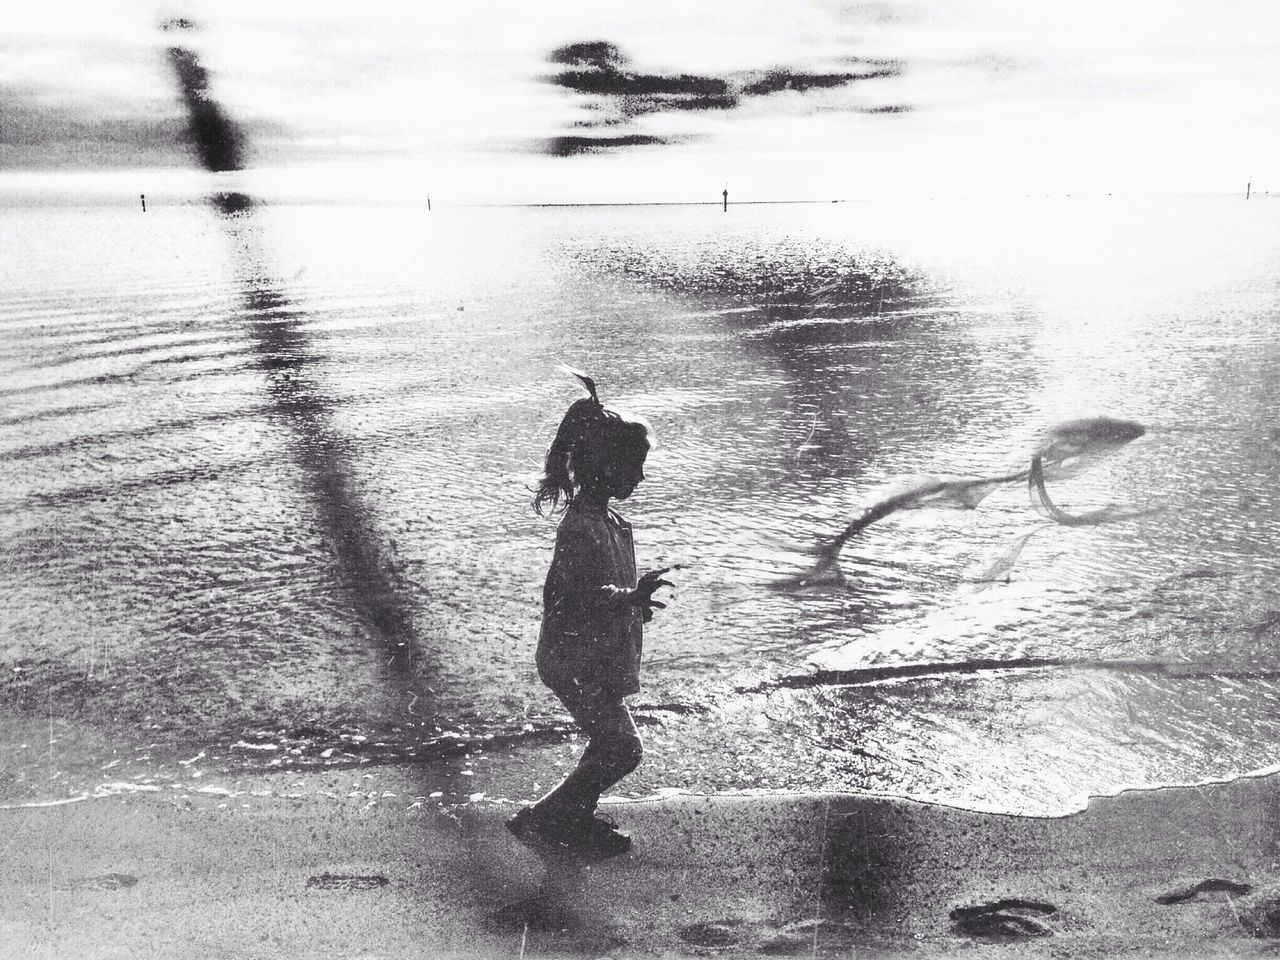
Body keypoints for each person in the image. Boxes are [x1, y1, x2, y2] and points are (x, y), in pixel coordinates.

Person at [506, 369, 673, 858]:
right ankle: (543, 818)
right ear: (606, 466)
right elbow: (575, 596)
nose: (640, 477)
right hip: (571, 659)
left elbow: (603, 593)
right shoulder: (581, 526)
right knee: (622, 748)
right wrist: (627, 599)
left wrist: (633, 605)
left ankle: (570, 820)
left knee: (612, 746)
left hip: (589, 657)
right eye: (634, 467)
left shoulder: (610, 521)